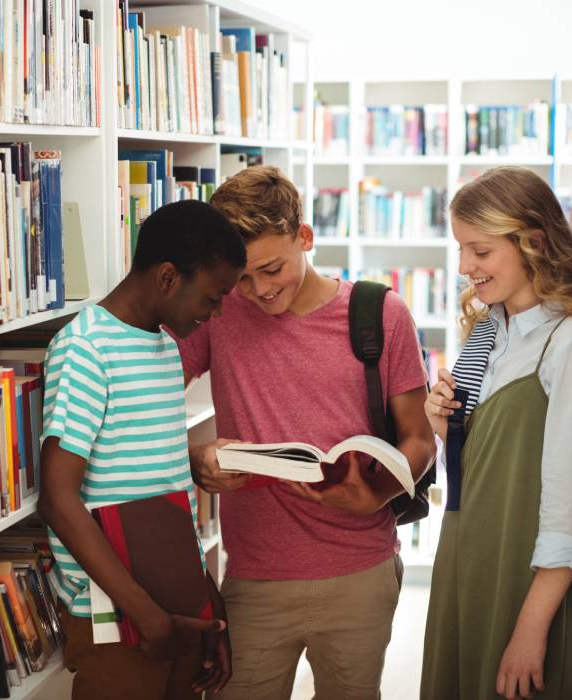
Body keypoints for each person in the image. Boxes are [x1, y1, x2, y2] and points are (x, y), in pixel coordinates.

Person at [176, 166, 436, 699]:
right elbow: (143, 412)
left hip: (360, 574)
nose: (259, 290)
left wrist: (376, 494)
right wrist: (194, 454)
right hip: (254, 577)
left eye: (272, 268)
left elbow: (419, 440)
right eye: (242, 277)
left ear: (305, 237)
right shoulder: (218, 313)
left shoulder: (380, 314)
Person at [37, 200, 247, 699]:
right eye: (213, 298)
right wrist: (145, 613)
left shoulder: (163, 346)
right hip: (117, 620)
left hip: (176, 608)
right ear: (169, 277)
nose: (216, 313)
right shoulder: (86, 348)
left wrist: (208, 603)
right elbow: (58, 499)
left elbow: (168, 489)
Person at [420, 166, 572, 700]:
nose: (463, 267)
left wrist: (530, 629)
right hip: (467, 559)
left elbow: (570, 505)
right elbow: (490, 468)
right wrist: (444, 426)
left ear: (533, 243)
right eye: (459, 250)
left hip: (523, 577)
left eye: (479, 250)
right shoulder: (486, 332)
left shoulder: (571, 343)